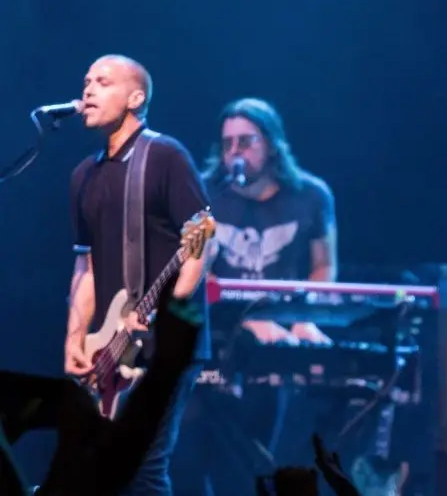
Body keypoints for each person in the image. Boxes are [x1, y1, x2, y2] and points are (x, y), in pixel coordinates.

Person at [65, 54, 211, 495]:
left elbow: (203, 239)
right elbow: (86, 266)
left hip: (163, 343)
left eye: (102, 82)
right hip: (110, 346)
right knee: (102, 468)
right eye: (86, 80)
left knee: (145, 467)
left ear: (135, 97)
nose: (88, 89)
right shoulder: (83, 176)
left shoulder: (164, 155)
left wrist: (170, 307)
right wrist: (75, 336)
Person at [201, 97, 337, 283]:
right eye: (227, 144)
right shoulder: (203, 192)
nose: (234, 151)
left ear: (272, 145)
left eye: (244, 142)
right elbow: (196, 269)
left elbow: (324, 266)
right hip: (220, 309)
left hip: (286, 311)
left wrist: (304, 309)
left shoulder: (312, 195)